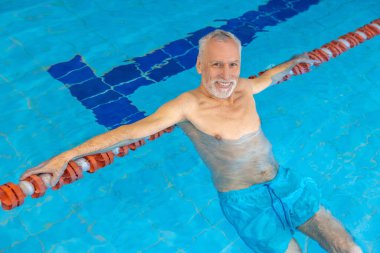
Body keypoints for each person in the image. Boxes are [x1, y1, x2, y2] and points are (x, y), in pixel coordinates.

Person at [21, 30, 362, 253]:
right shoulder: (186, 106)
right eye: (217, 65)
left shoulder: (244, 86)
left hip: (285, 183)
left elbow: (269, 77)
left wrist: (291, 63)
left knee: (349, 250)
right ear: (200, 64)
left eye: (232, 65)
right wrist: (67, 155)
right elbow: (131, 132)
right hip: (246, 202)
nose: (226, 74)